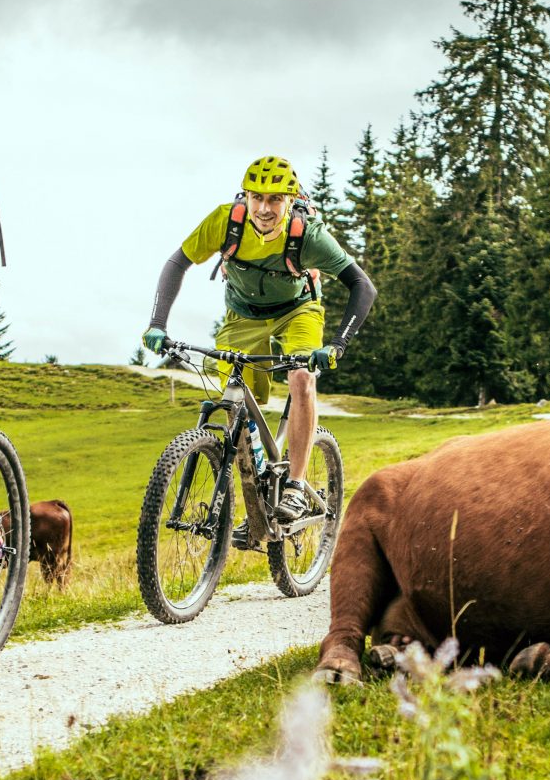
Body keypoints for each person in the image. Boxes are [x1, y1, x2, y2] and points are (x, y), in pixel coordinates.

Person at [142, 156, 376, 544]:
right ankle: (259, 497)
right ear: (245, 196)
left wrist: (336, 344)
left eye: (275, 200)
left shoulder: (309, 236)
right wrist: (157, 323)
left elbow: (362, 286)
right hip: (242, 317)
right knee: (235, 404)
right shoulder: (225, 221)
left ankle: (297, 487)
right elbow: (177, 262)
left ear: (289, 201)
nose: (264, 209)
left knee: (301, 379)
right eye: (256, 198)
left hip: (297, 312)